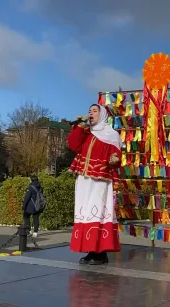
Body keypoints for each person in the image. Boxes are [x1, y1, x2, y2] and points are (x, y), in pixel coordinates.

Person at [67, 104, 122, 265]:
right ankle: (90, 251)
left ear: (103, 114)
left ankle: (101, 253)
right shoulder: (86, 132)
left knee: (97, 212)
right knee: (85, 213)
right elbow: (73, 145)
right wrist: (78, 127)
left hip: (100, 178)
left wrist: (115, 159)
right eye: (89, 111)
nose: (90, 113)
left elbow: (117, 154)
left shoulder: (111, 134)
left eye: (94, 111)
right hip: (84, 179)